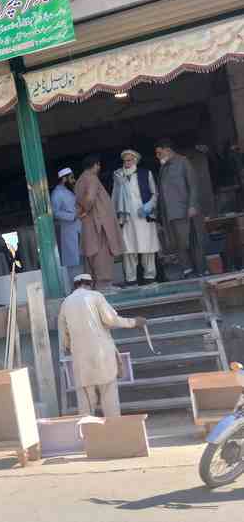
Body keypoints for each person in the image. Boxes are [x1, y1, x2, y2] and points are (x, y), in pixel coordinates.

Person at [58, 274, 145, 418]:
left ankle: (88, 430)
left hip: (81, 359)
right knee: (109, 398)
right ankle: (113, 428)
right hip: (103, 355)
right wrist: (134, 322)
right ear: (90, 284)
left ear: (75, 286)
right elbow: (110, 320)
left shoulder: (65, 303)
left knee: (86, 404)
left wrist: (71, 347)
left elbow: (64, 336)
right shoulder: (96, 296)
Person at [155, 138, 204, 277]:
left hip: (184, 211)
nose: (157, 156)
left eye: (159, 153)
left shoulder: (183, 162)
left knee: (191, 241)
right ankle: (187, 270)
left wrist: (192, 205)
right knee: (177, 243)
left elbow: (193, 185)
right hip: (170, 214)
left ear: (168, 150)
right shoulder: (163, 167)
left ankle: (200, 270)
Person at [75, 155, 124, 293]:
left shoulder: (79, 180)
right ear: (96, 165)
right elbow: (90, 198)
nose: (99, 167)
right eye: (99, 165)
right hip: (99, 223)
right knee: (102, 254)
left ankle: (95, 284)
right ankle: (104, 284)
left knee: (92, 254)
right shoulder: (91, 178)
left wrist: (82, 211)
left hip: (90, 222)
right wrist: (86, 209)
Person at [111, 148, 160, 286]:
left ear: (135, 161)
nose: (127, 162)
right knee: (128, 250)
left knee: (147, 248)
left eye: (130, 160)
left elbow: (155, 193)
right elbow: (114, 196)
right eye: (125, 160)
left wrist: (149, 206)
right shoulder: (118, 176)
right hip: (126, 219)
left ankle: (150, 278)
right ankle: (131, 280)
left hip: (144, 217)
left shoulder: (146, 173)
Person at [51, 166, 81, 285]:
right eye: (71, 178)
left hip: (78, 229)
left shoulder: (70, 191)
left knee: (81, 259)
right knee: (73, 261)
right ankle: (76, 287)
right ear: (64, 179)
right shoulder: (57, 193)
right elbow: (55, 212)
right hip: (69, 230)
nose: (74, 180)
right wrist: (72, 216)